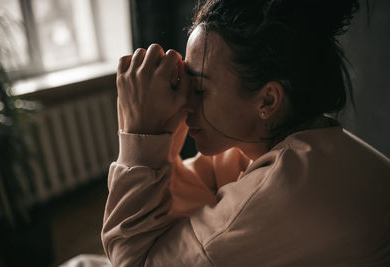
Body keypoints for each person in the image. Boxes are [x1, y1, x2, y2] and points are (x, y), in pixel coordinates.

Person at [101, 0, 390, 266]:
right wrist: (159, 127)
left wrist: (140, 132)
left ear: (267, 100)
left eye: (199, 89)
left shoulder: (281, 188)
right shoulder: (307, 140)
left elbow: (132, 261)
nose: (186, 102)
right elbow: (195, 192)